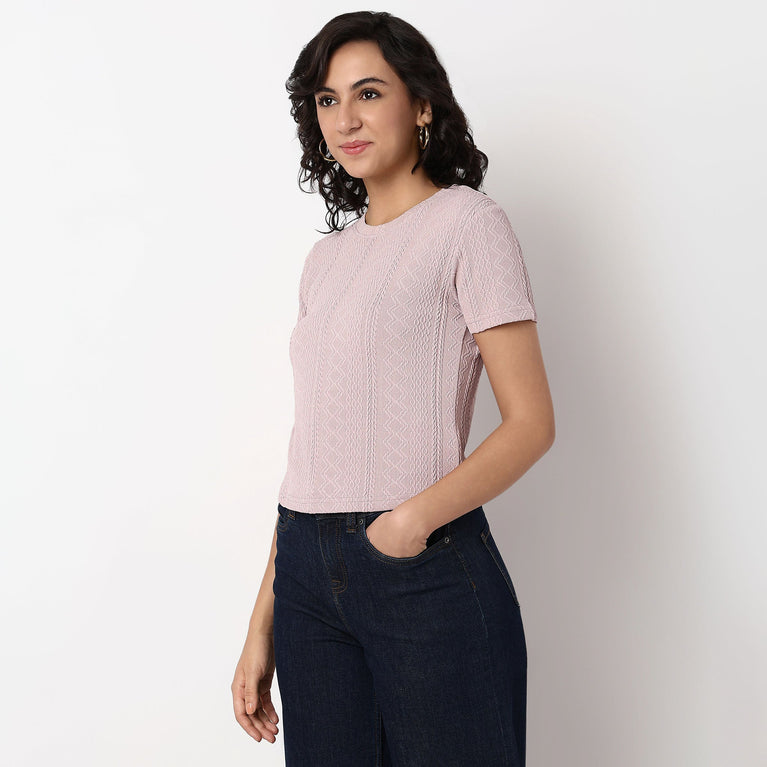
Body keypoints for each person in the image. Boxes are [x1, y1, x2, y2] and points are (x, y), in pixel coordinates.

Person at [231, 11, 555, 766]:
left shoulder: (468, 225)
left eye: (369, 93)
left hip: (421, 568)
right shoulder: (326, 261)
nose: (345, 119)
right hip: (305, 577)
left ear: (423, 104)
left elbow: (531, 422)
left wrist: (405, 525)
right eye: (327, 99)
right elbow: (313, 454)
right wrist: (261, 623)